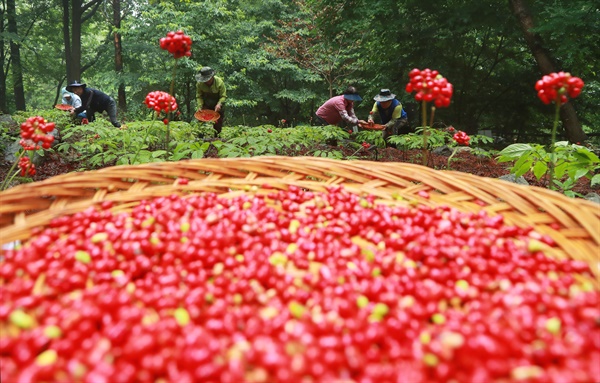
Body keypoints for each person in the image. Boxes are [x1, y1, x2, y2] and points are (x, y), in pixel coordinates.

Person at [195, 67, 226, 134]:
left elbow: (223, 96)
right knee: (201, 120)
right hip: (206, 104)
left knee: (218, 123)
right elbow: (199, 96)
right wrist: (200, 106)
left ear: (212, 77)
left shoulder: (219, 83)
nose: (206, 81)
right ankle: (201, 137)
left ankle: (217, 137)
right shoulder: (199, 84)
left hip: (217, 104)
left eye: (207, 79)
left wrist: (219, 104)